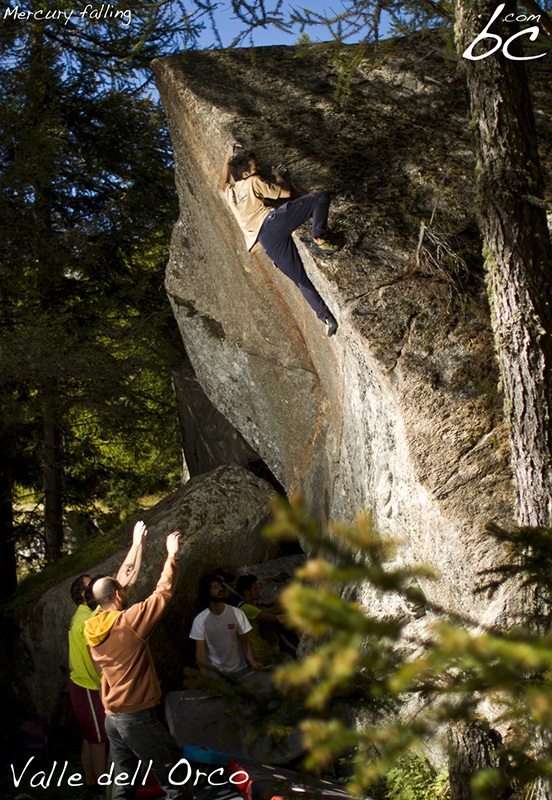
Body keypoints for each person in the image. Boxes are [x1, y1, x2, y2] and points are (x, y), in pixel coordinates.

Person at [84, 532, 189, 800]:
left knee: (123, 786)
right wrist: (172, 556)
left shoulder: (92, 625)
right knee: (177, 779)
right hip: (136, 718)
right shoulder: (129, 623)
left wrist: (136, 545)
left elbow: (114, 589)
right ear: (119, 595)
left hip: (112, 718)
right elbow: (162, 592)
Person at [220, 143, 339, 337]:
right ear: (245, 174)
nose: (258, 170)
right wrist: (278, 177)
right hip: (273, 222)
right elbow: (286, 194)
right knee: (320, 197)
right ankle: (318, 238)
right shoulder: (253, 182)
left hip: (266, 242)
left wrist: (228, 155)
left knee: (300, 280)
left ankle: (326, 318)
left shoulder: (230, 194)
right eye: (255, 168)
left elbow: (222, 182)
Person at [68, 520, 147, 800]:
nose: (95, 588)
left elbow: (123, 581)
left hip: (80, 685)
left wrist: (139, 547)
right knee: (101, 742)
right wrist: (136, 544)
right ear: (83, 596)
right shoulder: (91, 619)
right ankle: (101, 789)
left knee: (91, 739)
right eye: (90, 587)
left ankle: (91, 786)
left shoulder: (83, 616)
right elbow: (121, 580)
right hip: (90, 687)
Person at [190, 573, 260, 676]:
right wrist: (205, 676)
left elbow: (244, 641)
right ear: (207, 592)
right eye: (215, 587)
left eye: (220, 586)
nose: (220, 589)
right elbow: (200, 651)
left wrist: (252, 661)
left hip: (239, 669)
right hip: (216, 673)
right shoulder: (200, 621)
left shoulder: (236, 613)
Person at [235, 574, 289, 666]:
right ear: (247, 592)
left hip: (259, 650)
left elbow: (272, 610)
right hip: (257, 652)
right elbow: (278, 619)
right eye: (255, 589)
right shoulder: (247, 609)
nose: (258, 591)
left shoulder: (243, 606)